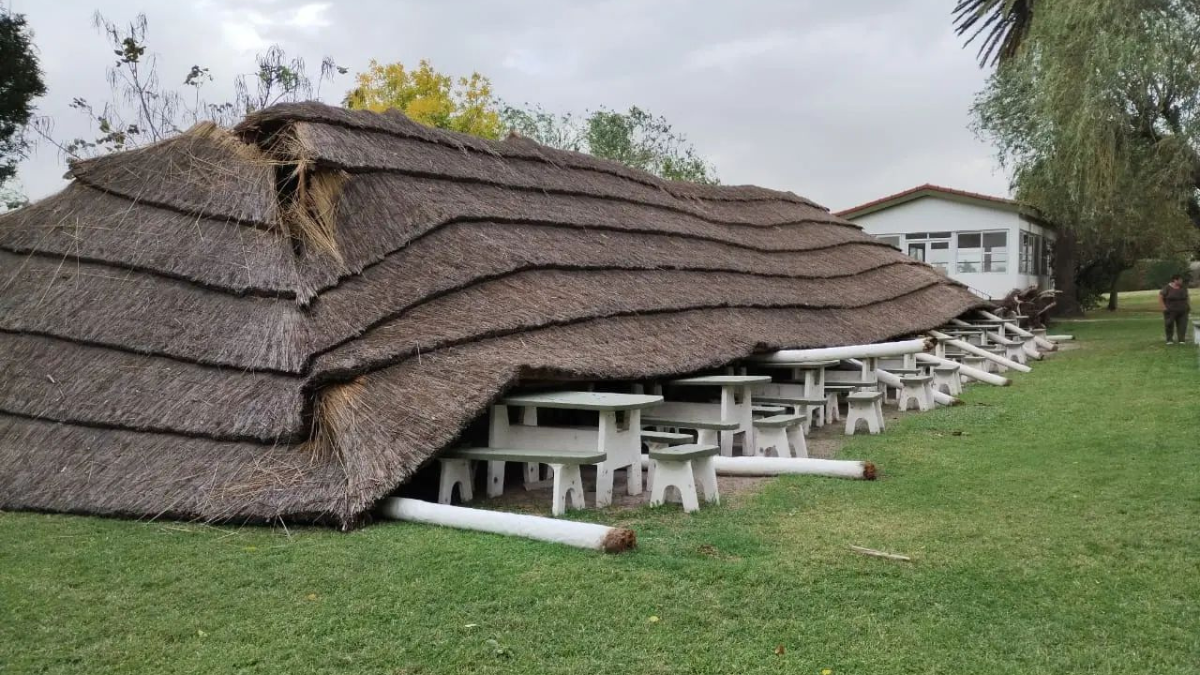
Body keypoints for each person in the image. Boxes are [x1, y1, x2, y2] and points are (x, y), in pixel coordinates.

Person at [1159, 274, 1190, 344]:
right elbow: (1160, 297)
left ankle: (1181, 340)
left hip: (1183, 310)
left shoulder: (1183, 287)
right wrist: (1163, 307)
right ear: (1175, 280)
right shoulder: (1167, 288)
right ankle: (1169, 340)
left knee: (1183, 325)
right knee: (1169, 324)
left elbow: (1187, 297)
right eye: (1180, 280)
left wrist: (1188, 306)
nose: (1181, 281)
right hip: (1170, 310)